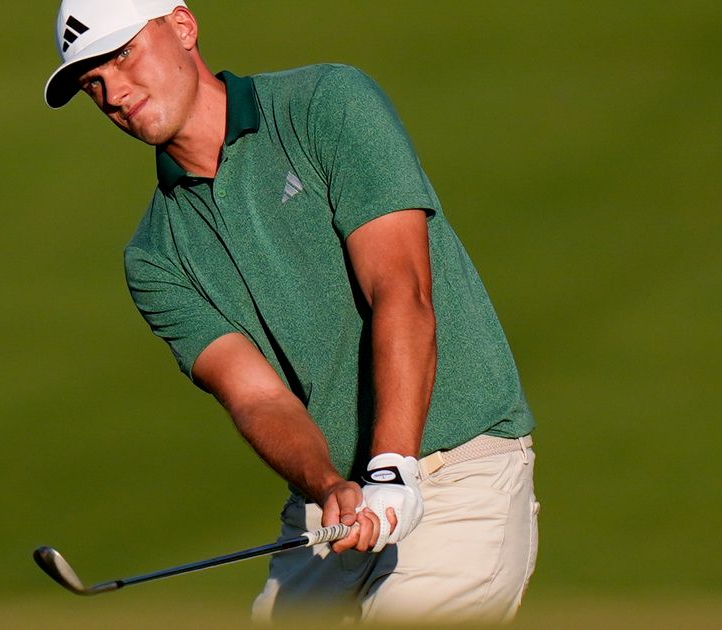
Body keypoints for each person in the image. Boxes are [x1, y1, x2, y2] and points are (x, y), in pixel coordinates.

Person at [43, 0, 538, 623]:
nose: (113, 90)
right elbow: (259, 398)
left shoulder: (326, 104)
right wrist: (330, 486)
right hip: (329, 510)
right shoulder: (155, 258)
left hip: (460, 471)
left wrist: (391, 465)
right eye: (93, 81)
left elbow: (402, 291)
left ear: (183, 26)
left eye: (122, 55)